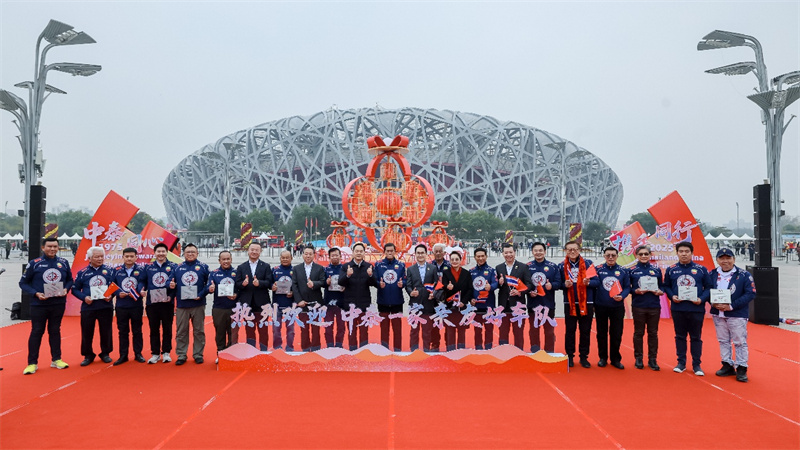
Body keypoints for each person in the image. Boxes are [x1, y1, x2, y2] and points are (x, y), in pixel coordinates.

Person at [19, 237, 73, 374]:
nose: (52, 249)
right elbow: (23, 283)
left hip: (58, 303)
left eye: (55, 246)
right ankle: (32, 363)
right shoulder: (34, 264)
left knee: (55, 330)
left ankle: (56, 359)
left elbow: (70, 280)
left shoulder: (64, 263)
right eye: (49, 246)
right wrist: (36, 293)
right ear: (43, 248)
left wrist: (66, 289)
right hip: (39, 304)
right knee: (37, 331)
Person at [663, 241, 712, 376]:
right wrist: (672, 296)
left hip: (696, 309)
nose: (684, 254)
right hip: (678, 308)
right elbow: (666, 286)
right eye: (681, 251)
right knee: (680, 336)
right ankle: (681, 363)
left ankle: (697, 365)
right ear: (677, 253)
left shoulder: (701, 269)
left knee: (696, 337)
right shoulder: (671, 269)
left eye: (686, 251)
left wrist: (701, 299)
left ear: (692, 253)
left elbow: (709, 287)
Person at [709, 248, 756, 382]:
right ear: (717, 260)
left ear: (734, 259)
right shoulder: (712, 274)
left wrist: (731, 305)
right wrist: (712, 303)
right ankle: (727, 364)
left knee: (739, 341)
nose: (725, 261)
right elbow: (706, 290)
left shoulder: (744, 275)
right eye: (722, 258)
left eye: (728, 258)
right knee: (723, 340)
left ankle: (741, 367)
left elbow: (750, 293)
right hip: (718, 313)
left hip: (737, 313)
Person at [558, 240, 599, 368]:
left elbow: (597, 282)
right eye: (569, 249)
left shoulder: (588, 264)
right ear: (565, 251)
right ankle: (570, 356)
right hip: (570, 303)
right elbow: (558, 284)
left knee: (585, 331)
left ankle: (583, 357)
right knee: (570, 331)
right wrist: (564, 285)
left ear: (579, 250)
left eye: (575, 249)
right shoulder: (561, 266)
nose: (572, 251)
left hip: (587, 302)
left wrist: (589, 283)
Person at [72, 246, 115, 366]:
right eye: (97, 257)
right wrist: (84, 298)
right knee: (87, 332)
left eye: (101, 256)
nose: (100, 259)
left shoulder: (110, 271)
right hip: (88, 307)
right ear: (90, 258)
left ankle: (105, 353)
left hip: (105, 306)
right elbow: (75, 289)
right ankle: (88, 355)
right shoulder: (82, 273)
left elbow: (115, 286)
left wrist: (111, 295)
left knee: (106, 331)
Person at [170, 243, 210, 365]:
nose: (190, 254)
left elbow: (209, 284)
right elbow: (169, 281)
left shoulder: (204, 267)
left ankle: (198, 354)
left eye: (193, 252)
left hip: (198, 304)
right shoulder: (177, 267)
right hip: (182, 305)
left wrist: (201, 294)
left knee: (199, 331)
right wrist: (170, 285)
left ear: (197, 253)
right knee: (181, 331)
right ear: (184, 254)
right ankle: (181, 354)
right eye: (188, 252)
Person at [594, 246, 630, 369]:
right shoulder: (598, 269)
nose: (610, 257)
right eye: (608, 255)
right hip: (601, 306)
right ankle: (602, 358)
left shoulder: (623, 271)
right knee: (601, 333)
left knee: (616, 333)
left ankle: (615, 359)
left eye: (613, 255)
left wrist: (622, 296)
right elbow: (593, 286)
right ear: (604, 256)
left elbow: (627, 287)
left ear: (617, 256)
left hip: (617, 306)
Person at [629, 245, 664, 370]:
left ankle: (652, 359)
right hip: (639, 306)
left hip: (654, 306)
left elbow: (662, 286)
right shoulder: (632, 270)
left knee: (653, 333)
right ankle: (638, 358)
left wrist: (660, 291)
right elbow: (628, 288)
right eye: (641, 254)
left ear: (650, 255)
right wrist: (636, 291)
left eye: (646, 254)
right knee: (638, 333)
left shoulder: (656, 270)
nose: (643, 256)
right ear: (637, 256)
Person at [112, 247, 148, 365]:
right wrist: (118, 293)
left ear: (136, 257)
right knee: (122, 331)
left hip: (136, 305)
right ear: (123, 257)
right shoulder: (116, 270)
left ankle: (138, 353)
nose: (129, 258)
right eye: (126, 256)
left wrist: (140, 290)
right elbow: (112, 285)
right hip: (121, 305)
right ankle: (123, 355)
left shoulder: (141, 270)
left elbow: (143, 282)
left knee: (137, 330)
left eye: (132, 256)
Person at [235, 242, 273, 350]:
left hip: (262, 302)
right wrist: (243, 284)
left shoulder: (265, 266)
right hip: (247, 302)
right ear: (248, 251)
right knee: (249, 329)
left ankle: (264, 351)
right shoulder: (241, 267)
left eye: (257, 250)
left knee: (263, 329)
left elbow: (269, 282)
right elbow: (237, 283)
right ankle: (251, 351)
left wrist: (259, 283)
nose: (254, 252)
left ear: (260, 252)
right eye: (252, 250)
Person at [338, 242, 376, 350]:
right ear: (353, 253)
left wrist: (370, 275)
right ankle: (352, 351)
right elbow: (340, 282)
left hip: (364, 304)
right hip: (350, 305)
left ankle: (363, 351)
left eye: (361, 251)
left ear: (364, 253)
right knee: (352, 330)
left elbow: (374, 284)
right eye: (357, 251)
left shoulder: (369, 266)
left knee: (364, 330)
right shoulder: (346, 266)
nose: (359, 253)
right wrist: (347, 275)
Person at [495, 243, 532, 349]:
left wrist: (520, 292)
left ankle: (519, 353)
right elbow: (496, 285)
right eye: (506, 253)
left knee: (518, 332)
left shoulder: (523, 267)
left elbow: (529, 285)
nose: (508, 255)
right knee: (503, 332)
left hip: (518, 304)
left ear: (515, 252)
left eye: (510, 252)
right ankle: (503, 353)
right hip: (503, 305)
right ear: (502, 253)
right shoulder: (499, 268)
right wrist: (499, 283)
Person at [144, 243, 176, 364]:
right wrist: (142, 289)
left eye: (163, 251)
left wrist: (171, 296)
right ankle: (155, 353)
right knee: (154, 329)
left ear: (167, 253)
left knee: (167, 328)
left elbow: (176, 285)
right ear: (154, 253)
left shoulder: (173, 267)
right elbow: (142, 281)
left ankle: (166, 352)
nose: (161, 254)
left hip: (167, 303)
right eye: (158, 251)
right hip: (152, 304)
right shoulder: (148, 267)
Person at [526, 242, 561, 353]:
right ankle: (535, 351)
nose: (538, 253)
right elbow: (523, 285)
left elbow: (559, 283)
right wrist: (529, 292)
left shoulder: (553, 267)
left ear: (545, 252)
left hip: (548, 304)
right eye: (536, 250)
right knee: (534, 330)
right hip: (533, 304)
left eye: (540, 250)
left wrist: (552, 286)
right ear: (532, 252)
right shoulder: (527, 267)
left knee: (549, 331)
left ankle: (549, 352)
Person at [291, 245, 326, 351]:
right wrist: (299, 300)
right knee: (304, 328)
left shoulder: (319, 268)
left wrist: (314, 284)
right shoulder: (296, 269)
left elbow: (323, 282)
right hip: (302, 303)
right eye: (306, 254)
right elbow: (294, 285)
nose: (308, 256)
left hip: (316, 302)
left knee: (315, 327)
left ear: (314, 255)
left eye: (310, 254)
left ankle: (316, 347)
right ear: (302, 255)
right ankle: (305, 347)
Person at [405, 244, 439, 352]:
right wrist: (411, 292)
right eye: (418, 253)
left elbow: (437, 284)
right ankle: (414, 351)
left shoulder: (432, 268)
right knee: (414, 330)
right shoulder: (410, 269)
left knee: (427, 330)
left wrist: (434, 293)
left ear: (426, 254)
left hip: (428, 303)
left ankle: (426, 350)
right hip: (415, 303)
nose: (420, 255)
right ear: (415, 254)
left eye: (422, 253)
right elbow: (408, 285)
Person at [373, 243, 406, 351]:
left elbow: (405, 280)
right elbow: (374, 280)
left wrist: (403, 284)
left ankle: (398, 351)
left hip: (397, 301)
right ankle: (384, 350)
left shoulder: (401, 265)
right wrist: (379, 284)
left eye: (392, 251)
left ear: (395, 251)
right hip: (383, 301)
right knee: (384, 329)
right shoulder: (378, 265)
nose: (390, 253)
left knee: (397, 329)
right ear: (384, 252)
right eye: (387, 251)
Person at [209, 250, 239, 363]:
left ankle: (231, 353)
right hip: (219, 308)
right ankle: (220, 353)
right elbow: (208, 286)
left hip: (234, 308)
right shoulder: (214, 273)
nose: (226, 261)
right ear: (219, 261)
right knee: (220, 332)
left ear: (231, 259)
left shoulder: (237, 273)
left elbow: (241, 289)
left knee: (233, 332)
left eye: (228, 259)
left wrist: (236, 295)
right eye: (223, 259)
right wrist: (210, 288)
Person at [441, 251, 473, 350]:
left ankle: (461, 351)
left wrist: (464, 301)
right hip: (450, 306)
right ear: (449, 261)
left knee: (461, 330)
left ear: (460, 260)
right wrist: (447, 287)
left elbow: (470, 289)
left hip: (462, 306)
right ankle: (450, 351)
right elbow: (443, 287)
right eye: (452, 259)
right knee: (450, 330)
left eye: (456, 259)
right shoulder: (446, 273)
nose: (454, 261)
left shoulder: (466, 273)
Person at [469, 247, 498, 350]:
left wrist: (491, 287)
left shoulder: (491, 271)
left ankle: (489, 348)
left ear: (486, 256)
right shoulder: (471, 271)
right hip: (476, 306)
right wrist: (470, 299)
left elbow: (496, 283)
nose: (480, 258)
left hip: (488, 305)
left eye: (482, 256)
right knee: (477, 329)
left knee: (489, 329)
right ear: (474, 257)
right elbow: (468, 288)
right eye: (478, 256)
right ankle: (478, 348)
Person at [271, 250, 296, 351]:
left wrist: (293, 293)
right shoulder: (274, 270)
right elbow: (268, 282)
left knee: (290, 329)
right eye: (283, 257)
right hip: (276, 304)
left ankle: (290, 347)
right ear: (280, 258)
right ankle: (277, 347)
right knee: (276, 329)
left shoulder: (295, 271)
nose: (285, 259)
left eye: (287, 257)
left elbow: (298, 286)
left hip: (290, 304)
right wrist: (272, 286)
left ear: (291, 258)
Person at [429, 243, 450, 351]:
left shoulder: (449, 265)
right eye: (436, 251)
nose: (438, 253)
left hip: (446, 299)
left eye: (440, 251)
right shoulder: (429, 266)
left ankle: (449, 344)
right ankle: (435, 344)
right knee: (434, 323)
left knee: (448, 322)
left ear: (444, 253)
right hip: (433, 298)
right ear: (433, 253)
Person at [323, 247, 346, 348]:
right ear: (329, 257)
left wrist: (346, 287)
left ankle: (339, 344)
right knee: (328, 325)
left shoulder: (345, 269)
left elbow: (349, 283)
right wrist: (326, 282)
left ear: (340, 256)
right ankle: (329, 345)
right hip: (329, 302)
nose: (335, 257)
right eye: (332, 256)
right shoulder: (325, 270)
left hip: (342, 302)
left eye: (337, 255)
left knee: (341, 326)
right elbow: (321, 283)